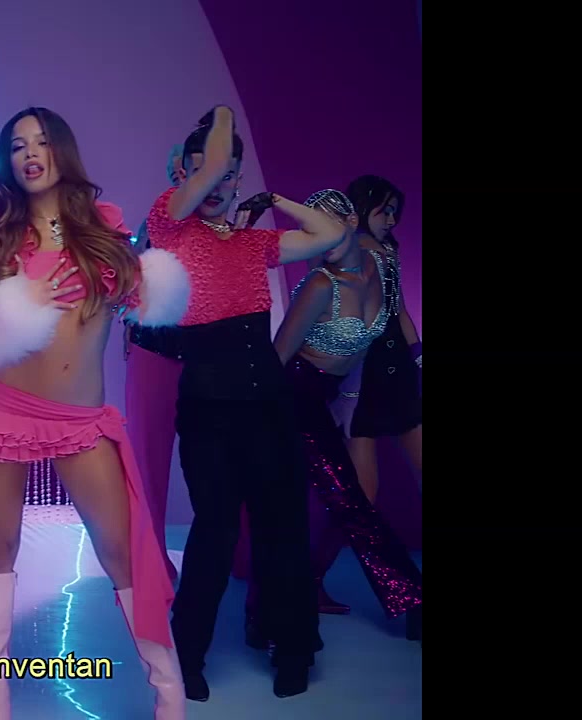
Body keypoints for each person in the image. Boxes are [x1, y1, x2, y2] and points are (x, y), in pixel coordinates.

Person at [0, 107, 191, 720]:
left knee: (120, 551)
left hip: (78, 419)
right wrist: (18, 298)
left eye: (42, 141)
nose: (30, 153)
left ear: (63, 151)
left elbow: (144, 299)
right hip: (2, 408)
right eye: (18, 145)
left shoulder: (104, 228)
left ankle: (169, 694)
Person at [148, 106, 344, 700]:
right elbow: (204, 180)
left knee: (281, 525)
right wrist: (224, 122)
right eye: (205, 172)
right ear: (186, 172)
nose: (218, 184)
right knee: (214, 530)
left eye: (230, 175)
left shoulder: (254, 243)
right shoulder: (169, 224)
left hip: (268, 404)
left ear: (239, 181)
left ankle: (293, 647)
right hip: (208, 408)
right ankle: (187, 657)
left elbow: (331, 236)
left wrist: (275, 197)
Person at [247, 189, 423, 645]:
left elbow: (385, 331)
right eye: (308, 230)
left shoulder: (381, 267)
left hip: (324, 398)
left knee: (347, 501)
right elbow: (277, 360)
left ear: (350, 223)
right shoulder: (318, 286)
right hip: (290, 399)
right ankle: (413, 601)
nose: (317, 238)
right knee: (339, 499)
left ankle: (406, 600)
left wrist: (351, 398)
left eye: (323, 226)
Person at [124, 140, 190, 586]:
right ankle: (151, 563)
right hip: (154, 350)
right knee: (149, 462)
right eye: (180, 170)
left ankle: (240, 556)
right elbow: (133, 281)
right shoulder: (158, 218)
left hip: (207, 354)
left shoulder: (226, 228)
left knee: (225, 464)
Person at [340, 176, 421, 504]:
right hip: (361, 372)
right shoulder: (343, 250)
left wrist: (418, 357)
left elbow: (400, 310)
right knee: (364, 489)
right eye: (384, 211)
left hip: (397, 366)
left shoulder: (388, 250)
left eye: (394, 212)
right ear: (363, 207)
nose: (391, 220)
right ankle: (354, 534)